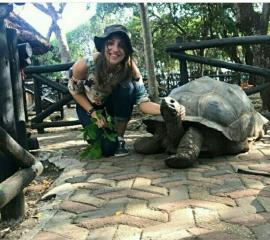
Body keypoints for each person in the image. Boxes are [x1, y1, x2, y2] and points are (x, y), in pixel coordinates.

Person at [68, 24, 172, 157]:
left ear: (127, 50)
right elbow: (75, 92)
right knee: (106, 149)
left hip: (111, 103)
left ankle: (120, 139)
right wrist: (93, 113)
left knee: (127, 87)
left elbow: (143, 102)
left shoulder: (130, 68)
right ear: (103, 45)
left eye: (121, 45)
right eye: (110, 43)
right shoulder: (84, 65)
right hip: (87, 105)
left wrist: (168, 110)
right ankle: (104, 138)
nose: (115, 49)